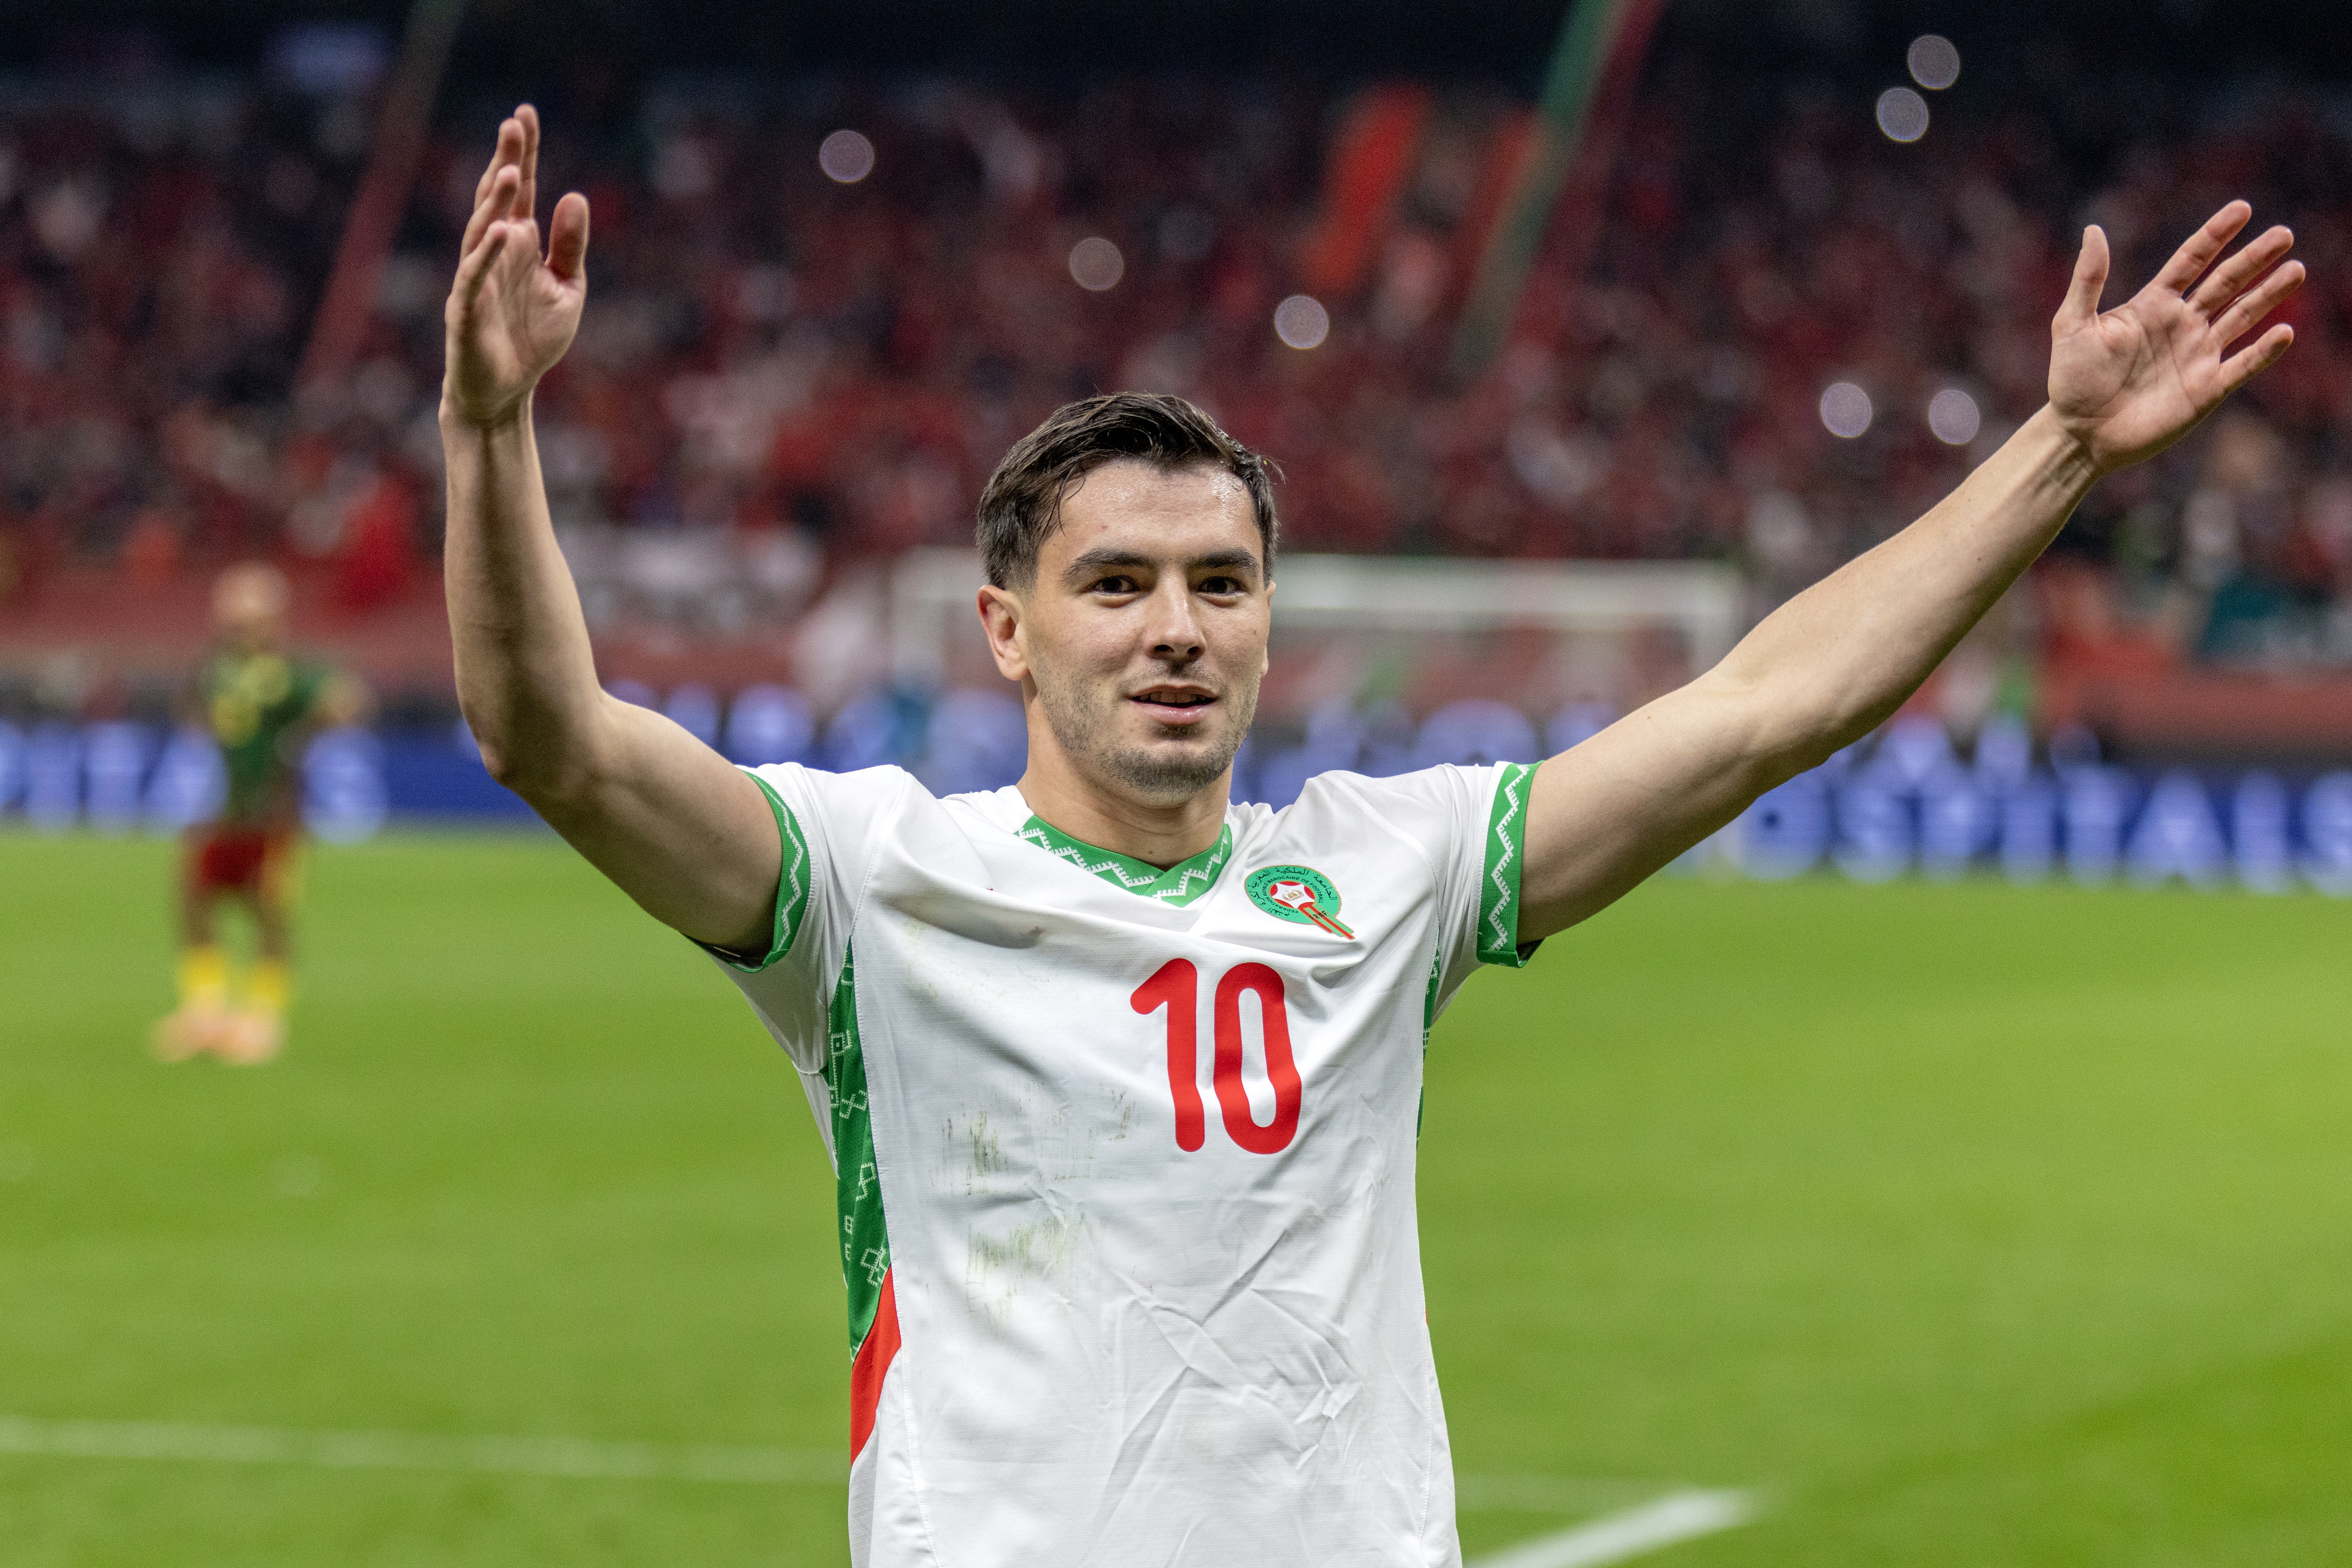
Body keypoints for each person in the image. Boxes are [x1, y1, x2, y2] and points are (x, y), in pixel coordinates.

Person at [440, 105, 2299, 1566]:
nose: (1177, 623)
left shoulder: (1388, 866)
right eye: (1116, 583)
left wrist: (2055, 452)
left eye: (1219, 581)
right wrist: (490, 427)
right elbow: (557, 743)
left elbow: (1760, 709)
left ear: (1268, 615)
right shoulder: (870, 885)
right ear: (1005, 626)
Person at [153, 563, 367, 1065]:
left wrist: (309, 726)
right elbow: (193, 708)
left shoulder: (290, 674)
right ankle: (205, 1012)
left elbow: (345, 701)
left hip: (273, 818)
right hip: (223, 812)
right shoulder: (217, 670)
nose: (233, 627)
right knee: (193, 900)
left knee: (268, 912)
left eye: (244, 617)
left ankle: (262, 1018)